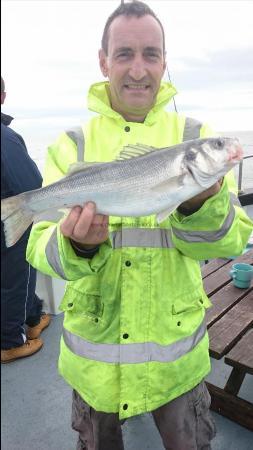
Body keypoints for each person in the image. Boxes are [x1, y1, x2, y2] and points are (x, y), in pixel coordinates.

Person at [26, 2, 253, 449]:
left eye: (151, 54)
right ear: (103, 61)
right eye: (124, 53)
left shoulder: (193, 135)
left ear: (165, 62)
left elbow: (232, 240)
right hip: (96, 362)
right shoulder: (72, 144)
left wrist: (199, 204)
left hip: (176, 358)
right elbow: (40, 250)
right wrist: (80, 247)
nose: (138, 68)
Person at [1, 76, 51, 364]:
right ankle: (10, 343)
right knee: (16, 280)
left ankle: (33, 318)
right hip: (9, 221)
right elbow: (30, 183)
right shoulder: (6, 137)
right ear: (3, 96)